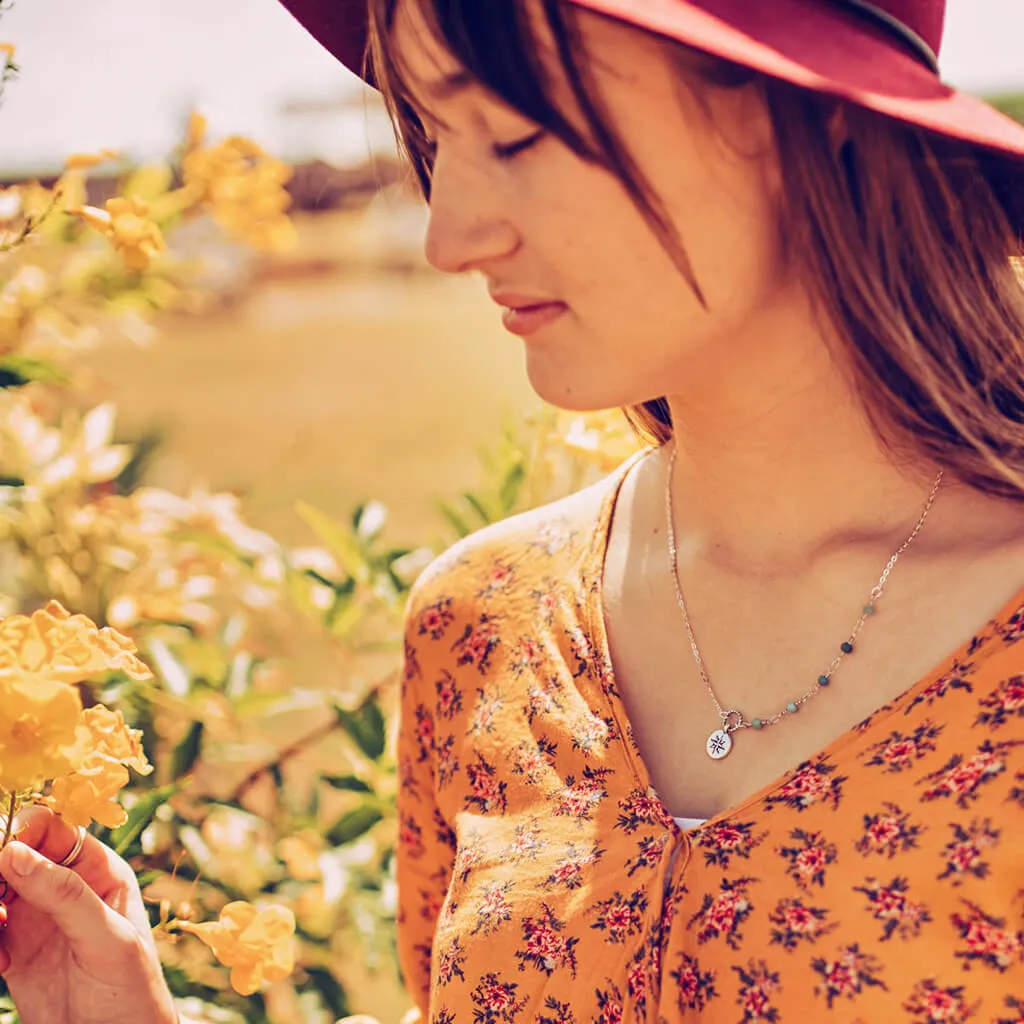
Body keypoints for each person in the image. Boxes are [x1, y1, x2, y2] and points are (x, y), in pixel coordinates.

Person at [3, 0, 1024, 1022]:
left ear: (803, 110)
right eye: (437, 139)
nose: (450, 236)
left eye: (515, 134)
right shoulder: (481, 620)